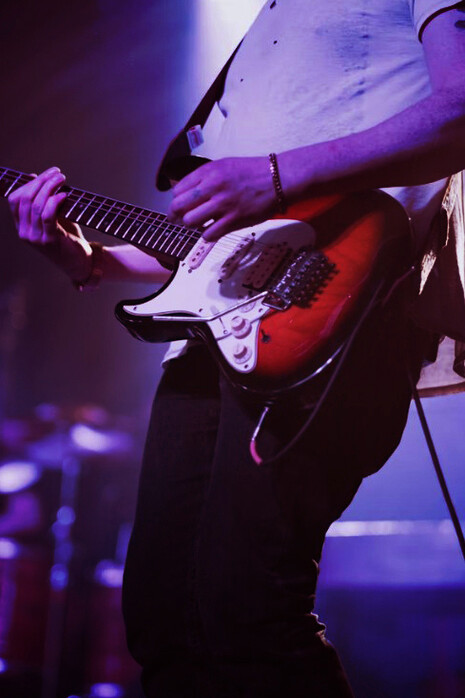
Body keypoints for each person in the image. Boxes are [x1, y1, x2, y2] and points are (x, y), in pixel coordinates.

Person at [7, 1, 465, 696]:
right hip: (208, 338)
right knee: (163, 621)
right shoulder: (259, 32)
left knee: (247, 610)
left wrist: (277, 172)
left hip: (329, 325)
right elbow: (216, 251)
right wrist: (87, 260)